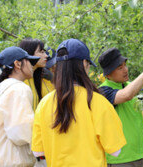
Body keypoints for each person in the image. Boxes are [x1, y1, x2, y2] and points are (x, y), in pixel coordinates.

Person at [31, 39, 127, 167]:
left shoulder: (44, 104)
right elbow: (115, 150)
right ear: (84, 63)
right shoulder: (97, 102)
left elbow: (38, 151)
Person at [98, 47, 143, 167]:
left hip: (138, 154)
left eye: (125, 65)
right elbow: (126, 95)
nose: (125, 70)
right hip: (120, 159)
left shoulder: (130, 86)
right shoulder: (103, 90)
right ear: (108, 74)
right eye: (120, 68)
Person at [0, 46, 40, 167]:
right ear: (17, 64)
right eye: (29, 61)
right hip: (8, 162)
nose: (32, 65)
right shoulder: (19, 88)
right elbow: (21, 133)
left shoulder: (0, 89)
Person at [19, 38, 54, 110]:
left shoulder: (43, 76)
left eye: (44, 52)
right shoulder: (20, 80)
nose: (46, 56)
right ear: (29, 54)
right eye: (41, 52)